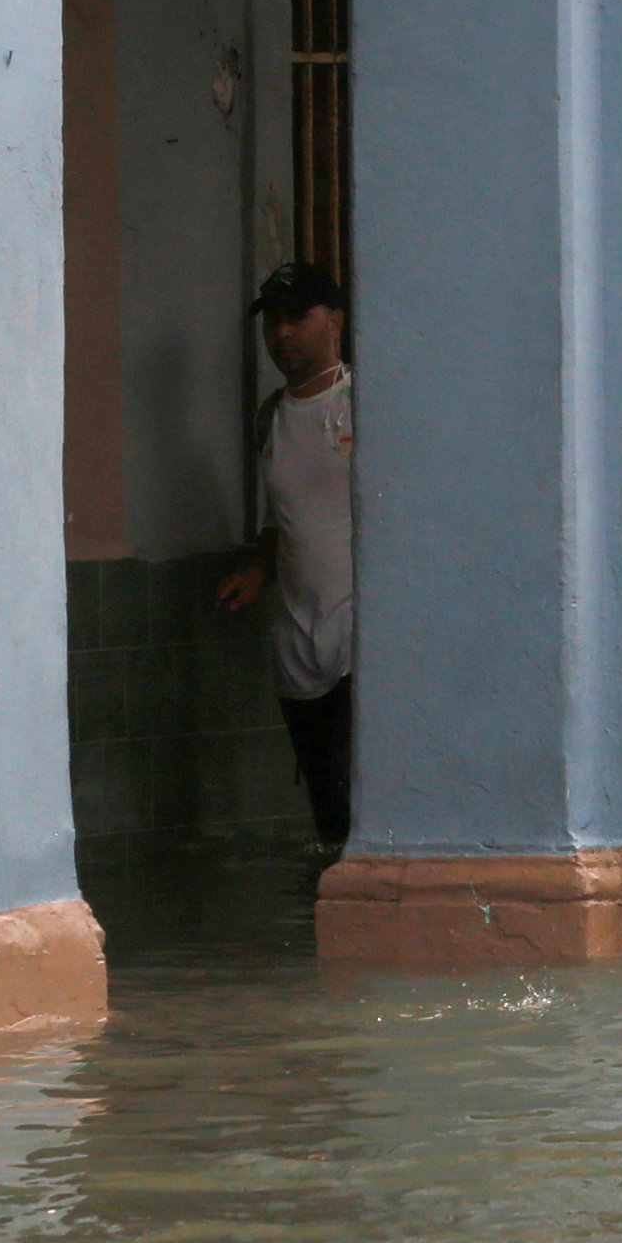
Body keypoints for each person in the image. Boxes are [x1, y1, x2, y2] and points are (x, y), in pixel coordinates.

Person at [215, 259, 356, 847]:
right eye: (273, 322)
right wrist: (258, 569)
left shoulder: (364, 403)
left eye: (297, 318)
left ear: (334, 322)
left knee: (360, 799)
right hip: (297, 636)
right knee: (325, 802)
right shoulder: (271, 416)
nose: (282, 334)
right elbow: (282, 515)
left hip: (359, 633)